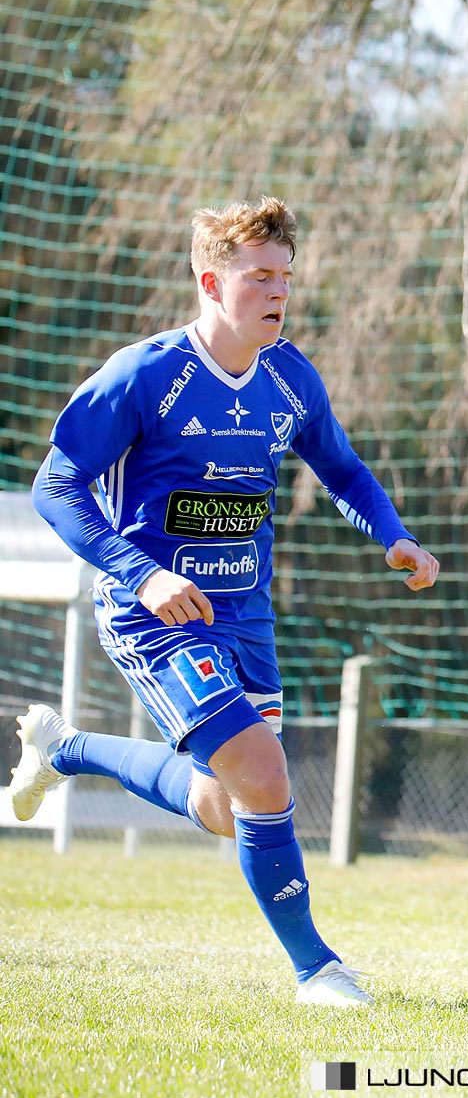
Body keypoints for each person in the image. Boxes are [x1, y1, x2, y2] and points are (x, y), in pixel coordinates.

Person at [8, 196, 439, 1007]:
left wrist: (393, 533)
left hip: (245, 617)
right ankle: (319, 969)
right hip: (155, 615)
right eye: (260, 277)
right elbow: (55, 485)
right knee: (266, 778)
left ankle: (65, 751)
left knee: (221, 803)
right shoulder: (146, 375)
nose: (279, 292)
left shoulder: (288, 376)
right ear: (212, 281)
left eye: (286, 277)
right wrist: (142, 573)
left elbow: (341, 470)